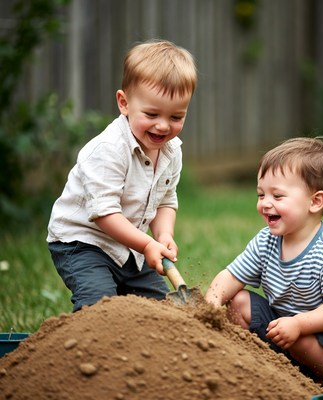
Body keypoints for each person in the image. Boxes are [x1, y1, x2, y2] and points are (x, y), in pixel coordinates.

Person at [205, 137, 323, 395]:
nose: (265, 203)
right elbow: (232, 276)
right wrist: (212, 304)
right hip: (283, 323)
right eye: (261, 194)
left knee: (301, 339)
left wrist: (300, 324)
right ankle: (253, 361)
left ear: (315, 201)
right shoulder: (266, 240)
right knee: (237, 301)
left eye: (277, 196)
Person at [47, 39, 197, 312]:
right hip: (83, 242)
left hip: (130, 248)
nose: (163, 126)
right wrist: (146, 243)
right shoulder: (108, 150)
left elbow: (165, 201)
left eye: (176, 117)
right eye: (152, 114)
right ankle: (88, 344)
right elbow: (104, 213)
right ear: (124, 103)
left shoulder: (172, 151)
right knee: (100, 304)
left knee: (159, 311)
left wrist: (163, 235)